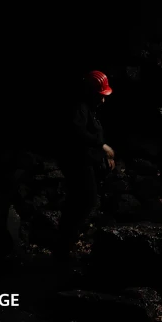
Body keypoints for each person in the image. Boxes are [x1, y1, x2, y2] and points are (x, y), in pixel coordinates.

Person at [54, 70, 116, 262]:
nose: (103, 101)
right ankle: (63, 250)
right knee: (84, 201)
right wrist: (102, 146)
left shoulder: (87, 109)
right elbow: (77, 133)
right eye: (100, 96)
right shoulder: (78, 108)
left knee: (79, 202)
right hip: (77, 163)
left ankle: (63, 249)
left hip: (84, 162)